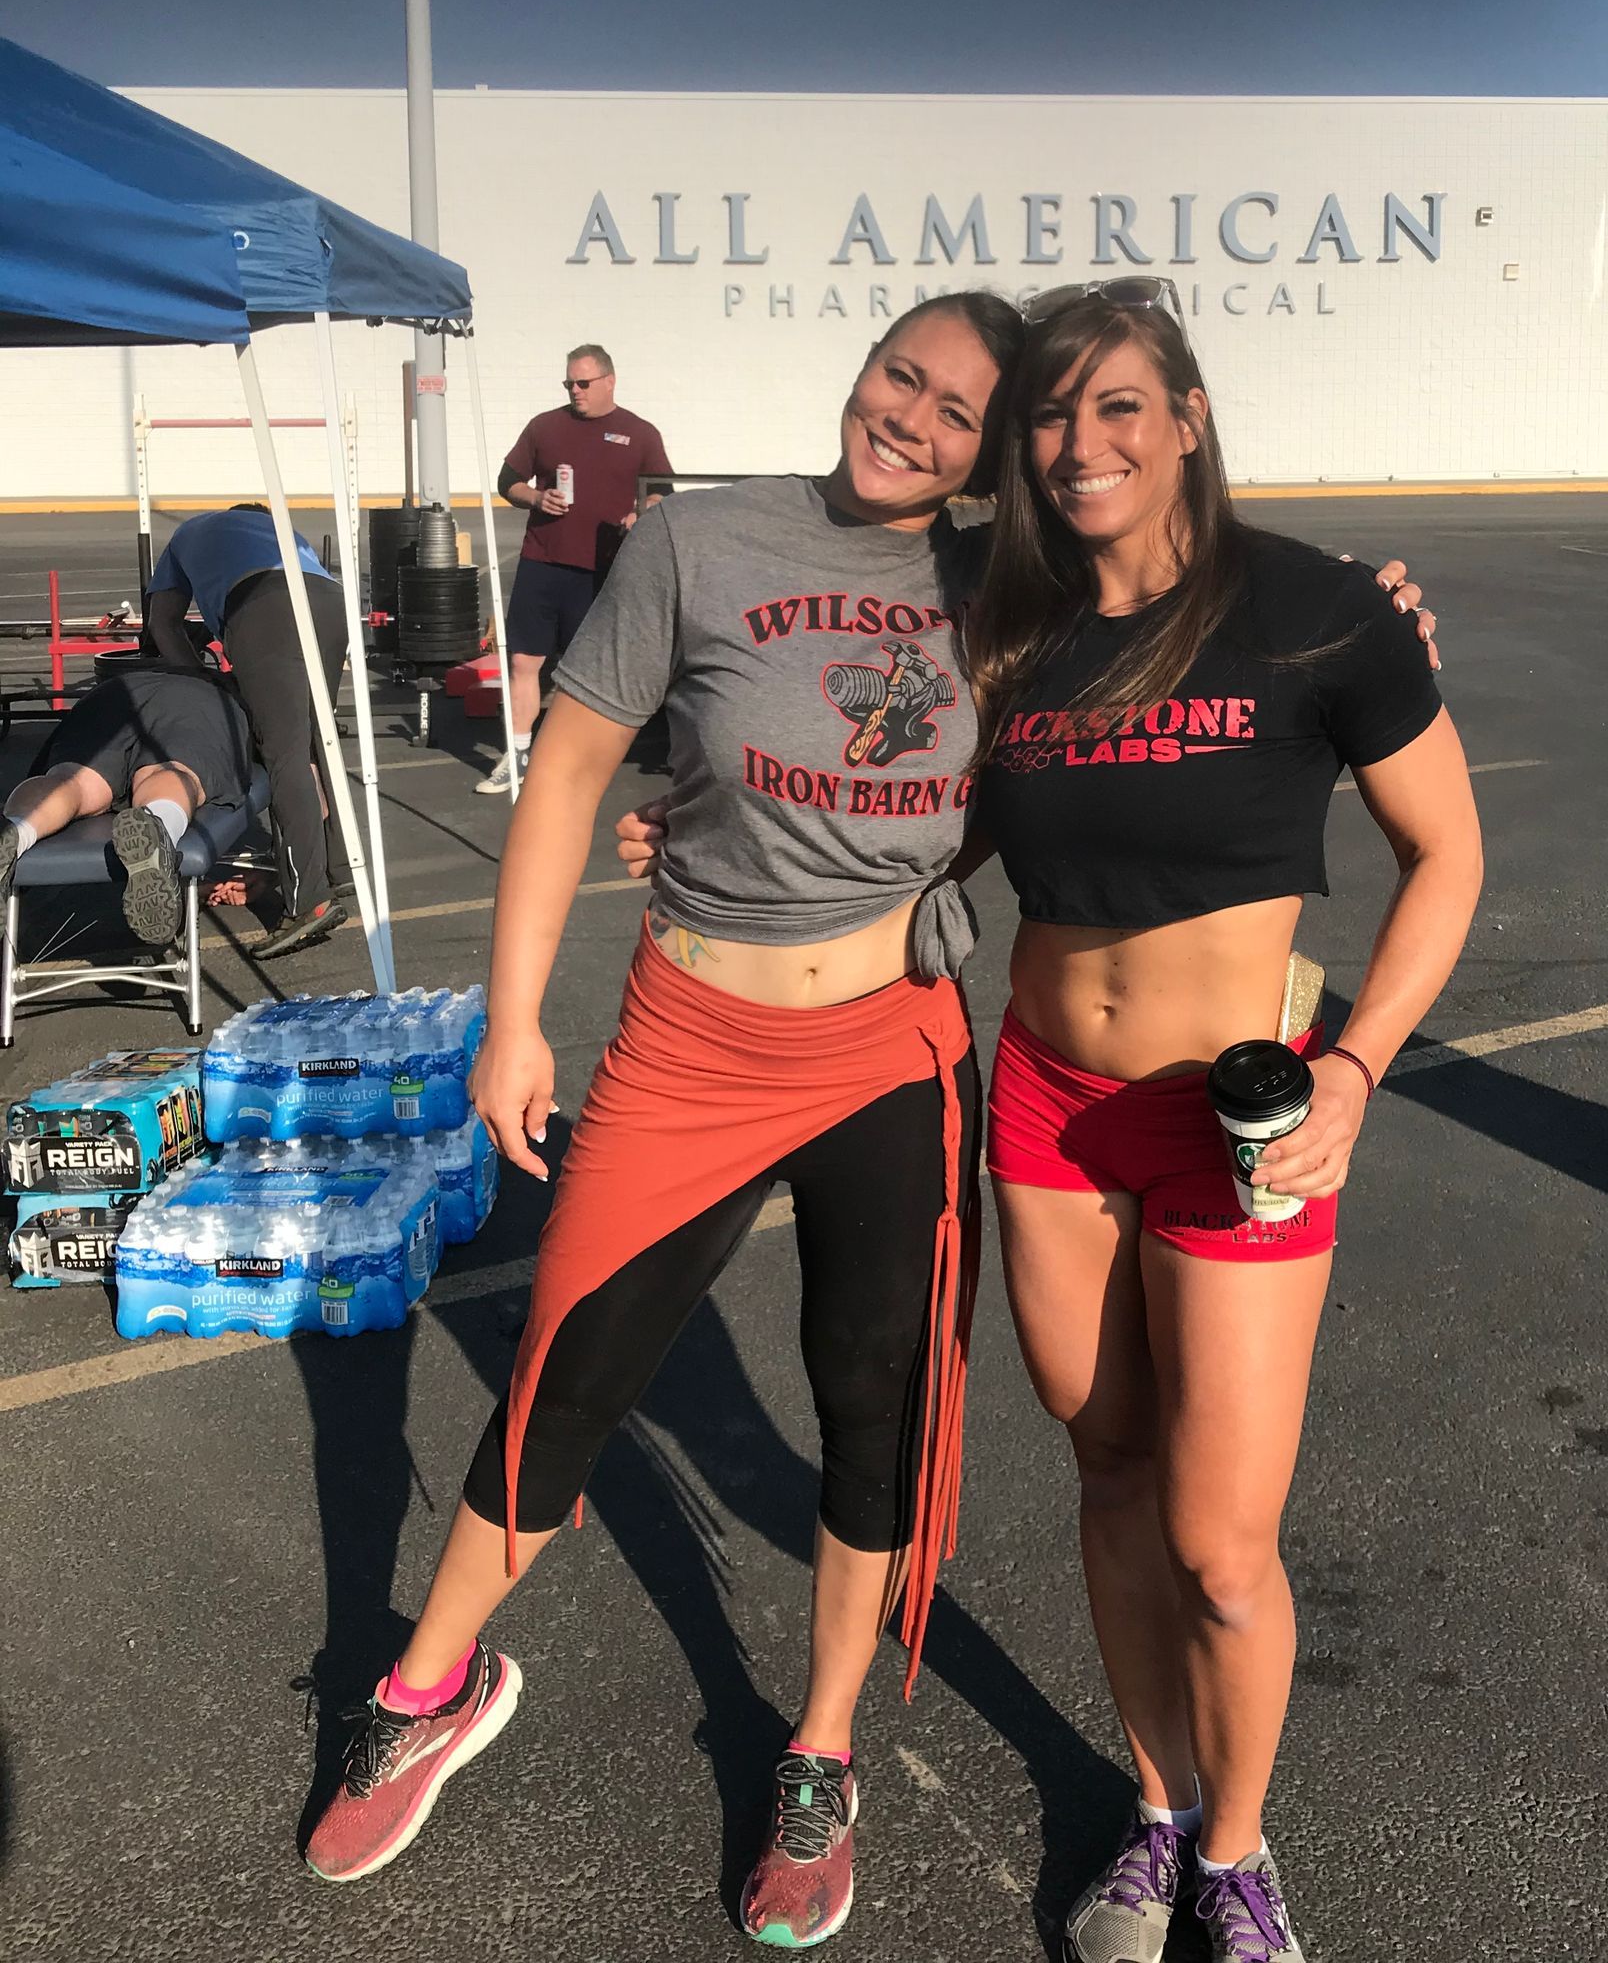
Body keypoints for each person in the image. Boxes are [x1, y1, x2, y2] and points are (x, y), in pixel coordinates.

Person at [299, 287, 1437, 1944]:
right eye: (906, 375)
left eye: (964, 411)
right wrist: (529, 1007)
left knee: (892, 1409)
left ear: (1003, 460)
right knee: (574, 1368)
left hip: (917, 1052)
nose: (916, 415)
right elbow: (588, 772)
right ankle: (430, 1682)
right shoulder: (727, 548)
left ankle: (839, 1754)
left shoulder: (1026, 592)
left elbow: (1149, 730)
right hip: (725, 1040)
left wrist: (1374, 618)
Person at [965, 286, 1483, 1963]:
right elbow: (902, 801)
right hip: (1048, 1105)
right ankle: (1158, 1810)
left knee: (1221, 1543)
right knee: (1109, 1470)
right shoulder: (1002, 620)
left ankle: (1240, 1854)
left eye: (1119, 405)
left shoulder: (1317, 612)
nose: (1083, 444)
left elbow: (1448, 855)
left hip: (1235, 1120)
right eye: (1052, 413)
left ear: (1187, 418)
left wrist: (1358, 1067)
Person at [145, 504, 349, 960]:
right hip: (329, 602)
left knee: (284, 752)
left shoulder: (190, 530)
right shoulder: (280, 528)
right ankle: (340, 867)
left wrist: (202, 678)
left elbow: (163, 622)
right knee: (319, 742)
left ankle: (309, 900)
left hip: (262, 604)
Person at [478, 343, 675, 793]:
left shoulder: (640, 433)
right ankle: (518, 754)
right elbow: (508, 481)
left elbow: (661, 490)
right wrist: (535, 497)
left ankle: (572, 761)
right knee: (524, 660)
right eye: (569, 383)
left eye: (583, 383)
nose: (575, 391)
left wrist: (640, 514)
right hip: (542, 561)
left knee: (585, 671)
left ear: (609, 381)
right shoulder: (545, 426)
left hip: (601, 568)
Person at [0, 660, 253, 948]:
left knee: (74, 781)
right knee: (170, 770)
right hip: (203, 702)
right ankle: (158, 824)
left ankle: (17, 828)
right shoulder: (239, 699)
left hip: (114, 694)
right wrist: (268, 877)